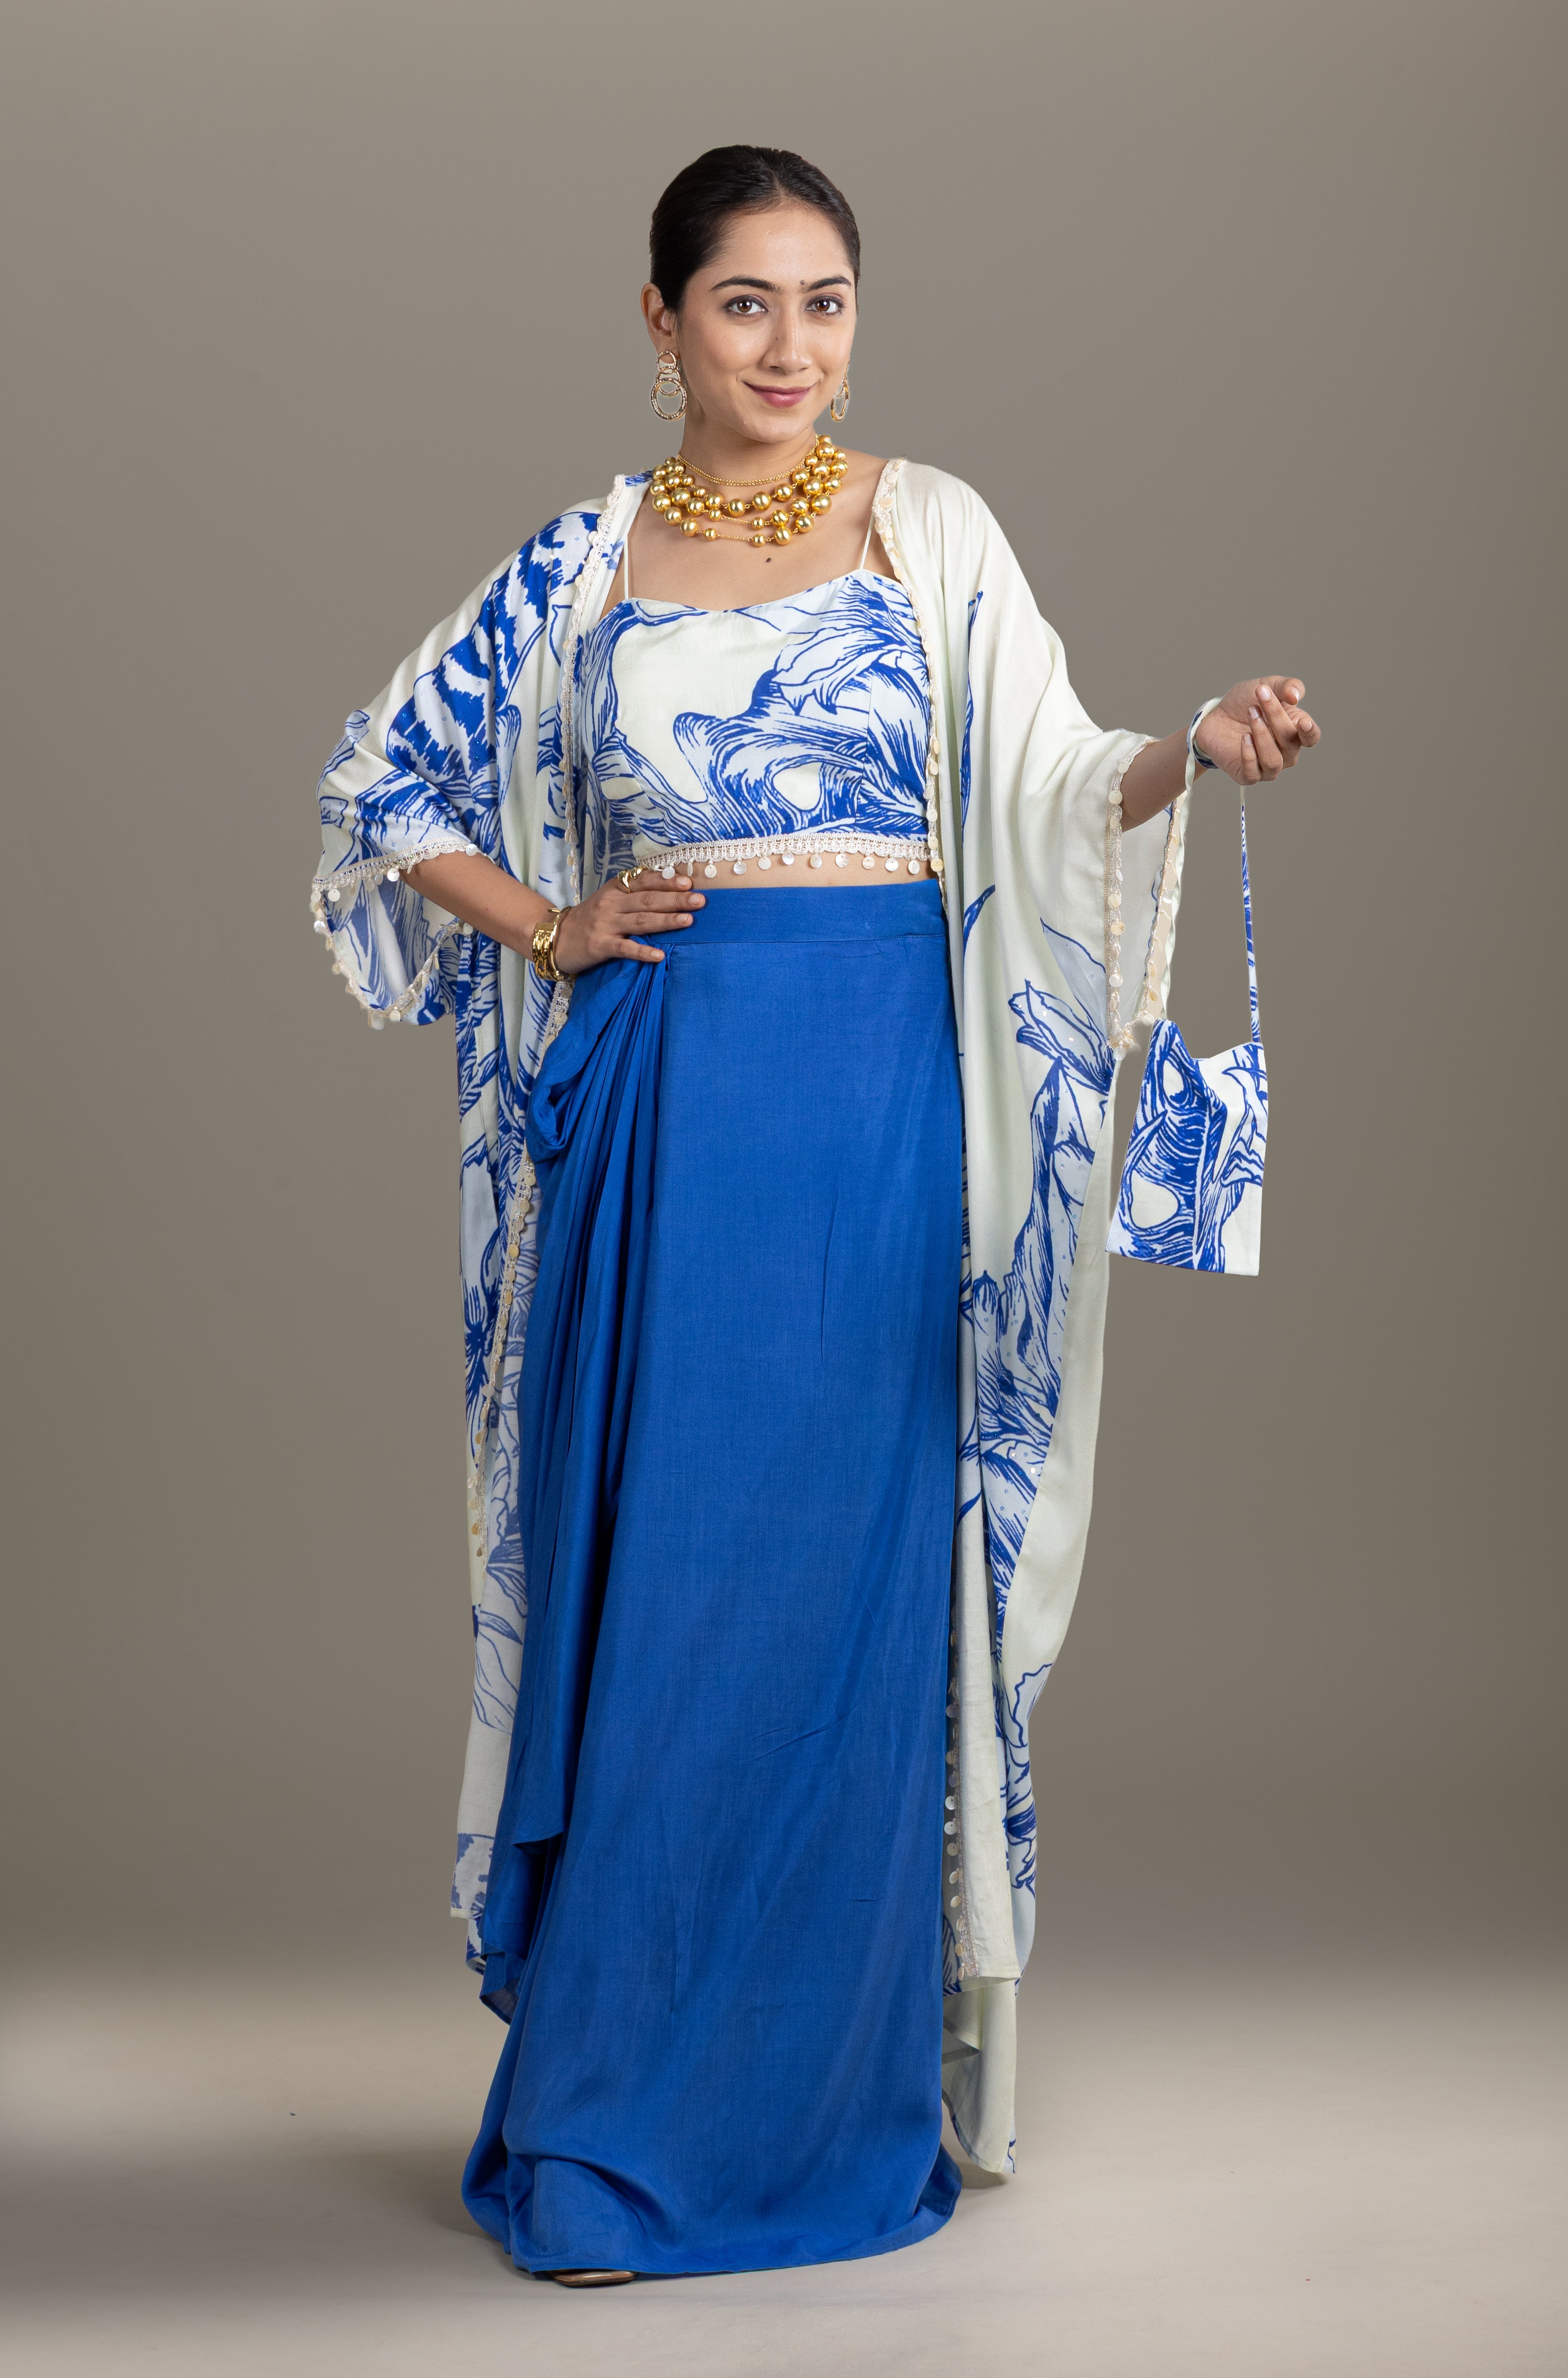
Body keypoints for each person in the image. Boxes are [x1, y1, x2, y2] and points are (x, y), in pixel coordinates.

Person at [311, 144, 1319, 2285]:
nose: (790, 346)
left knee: (848, 1602)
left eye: (826, 301)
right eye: (745, 301)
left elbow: (1056, 784)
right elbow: (381, 784)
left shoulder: (929, 527)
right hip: (668, 1104)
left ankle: (826, 2118)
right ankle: (604, 2136)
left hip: (879, 1112)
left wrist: (1192, 752)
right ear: (661, 318)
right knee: (661, 1590)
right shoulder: (582, 561)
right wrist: (554, 922)